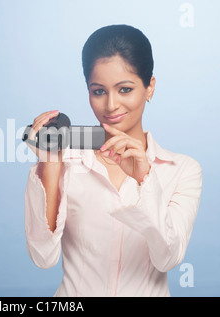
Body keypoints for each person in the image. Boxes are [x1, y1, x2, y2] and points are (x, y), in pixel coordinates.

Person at [24, 24, 202, 297]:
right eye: (98, 91)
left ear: (149, 87)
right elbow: (42, 257)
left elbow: (168, 257)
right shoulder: (64, 162)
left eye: (125, 89)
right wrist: (50, 165)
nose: (110, 106)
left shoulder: (182, 170)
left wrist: (145, 179)